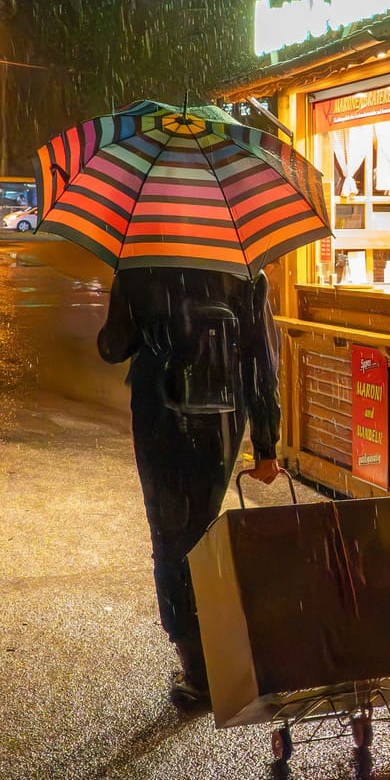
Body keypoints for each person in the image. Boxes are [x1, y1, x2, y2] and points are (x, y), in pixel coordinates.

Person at [97, 267, 282, 705]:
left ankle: (195, 664)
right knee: (202, 532)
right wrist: (267, 444)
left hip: (160, 418)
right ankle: (221, 650)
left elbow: (112, 346)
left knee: (170, 539)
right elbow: (261, 357)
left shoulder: (140, 266)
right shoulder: (244, 269)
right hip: (221, 417)